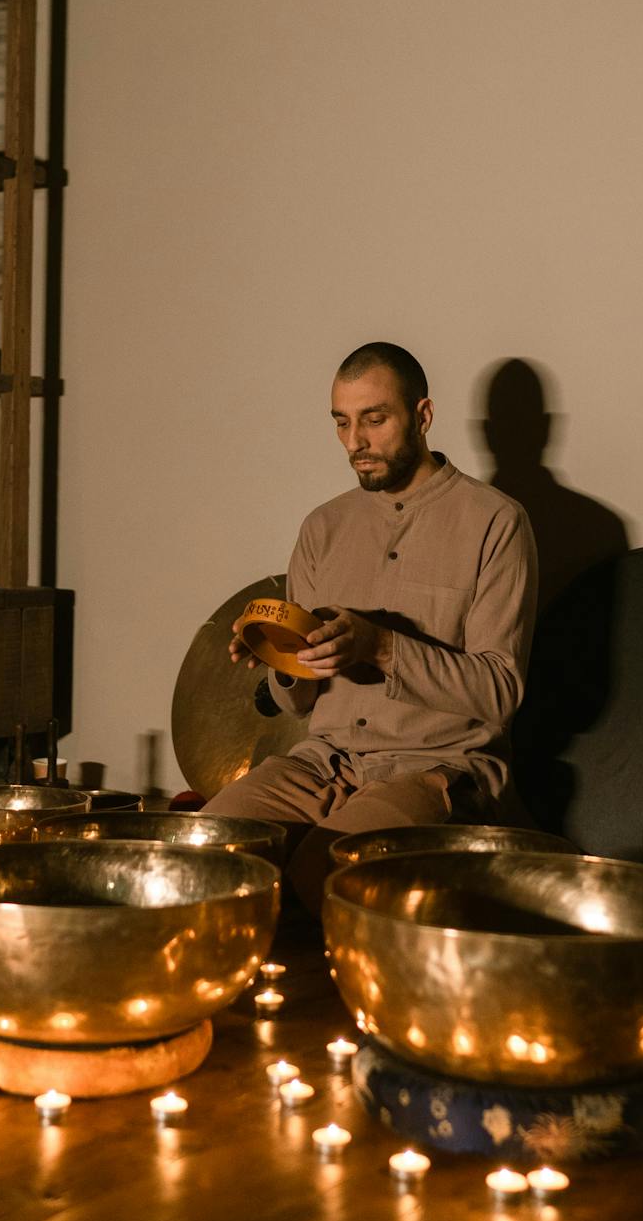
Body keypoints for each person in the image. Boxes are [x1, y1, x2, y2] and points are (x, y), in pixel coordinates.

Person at [202, 342, 538, 896]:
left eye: (374, 420)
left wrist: (380, 646)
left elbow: (501, 691)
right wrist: (280, 656)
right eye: (342, 423)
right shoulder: (323, 528)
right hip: (323, 763)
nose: (355, 443)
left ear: (423, 416)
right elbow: (298, 702)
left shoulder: (496, 522)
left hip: (436, 767)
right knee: (201, 858)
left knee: (323, 877)